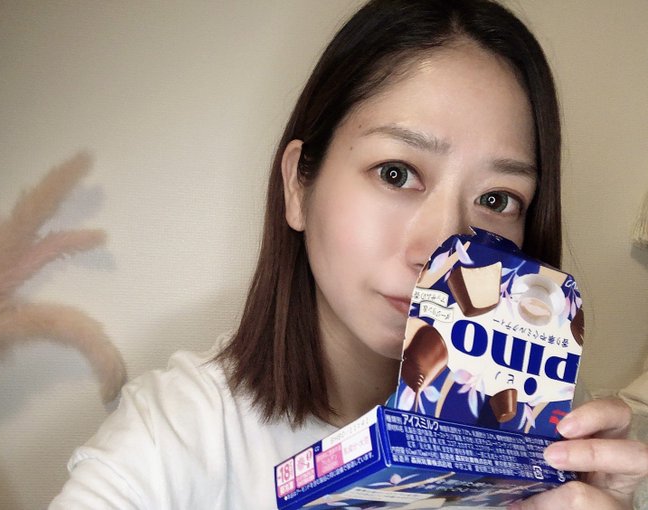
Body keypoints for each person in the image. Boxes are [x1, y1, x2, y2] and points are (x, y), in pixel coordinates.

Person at [50, 0, 648, 508]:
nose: (442, 255)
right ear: (298, 186)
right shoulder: (171, 438)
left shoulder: (556, 450)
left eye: (497, 199)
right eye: (397, 172)